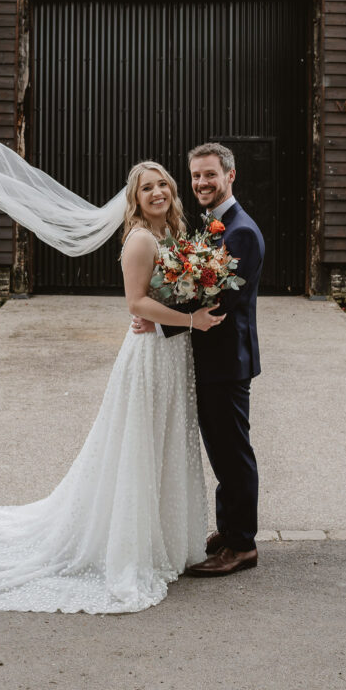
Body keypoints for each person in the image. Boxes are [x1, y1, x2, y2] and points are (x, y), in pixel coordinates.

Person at [0, 160, 224, 614]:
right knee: (139, 445)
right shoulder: (140, 239)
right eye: (146, 189)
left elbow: (171, 293)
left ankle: (166, 541)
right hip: (149, 358)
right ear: (134, 199)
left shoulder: (175, 236)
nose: (157, 193)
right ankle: (129, 546)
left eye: (162, 185)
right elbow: (135, 303)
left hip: (173, 356)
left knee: (165, 442)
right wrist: (191, 320)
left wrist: (190, 308)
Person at [133, 142, 264, 576]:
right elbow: (196, 288)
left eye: (210, 175)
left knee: (232, 455)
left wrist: (161, 321)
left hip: (226, 361)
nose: (201, 183)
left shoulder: (239, 230)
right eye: (195, 176)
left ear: (230, 175)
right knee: (223, 452)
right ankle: (230, 530)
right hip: (210, 360)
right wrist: (158, 314)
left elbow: (221, 303)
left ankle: (242, 545)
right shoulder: (214, 225)